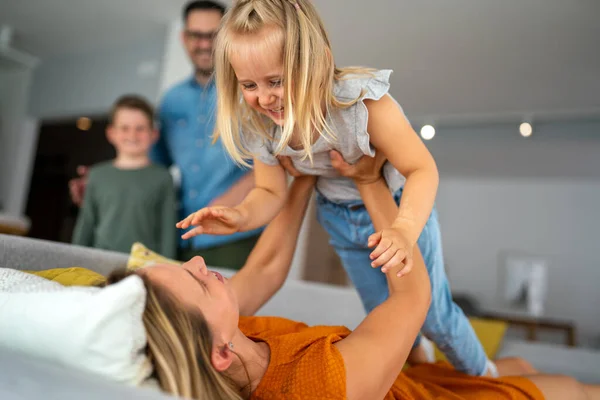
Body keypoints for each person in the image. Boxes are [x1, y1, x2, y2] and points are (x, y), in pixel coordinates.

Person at [110, 152, 599, 400]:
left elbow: (266, 267)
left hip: (410, 378)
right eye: (194, 279)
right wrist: (368, 181)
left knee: (515, 362)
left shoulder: (224, 338)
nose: (198, 263)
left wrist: (302, 171)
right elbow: (413, 296)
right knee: (568, 389)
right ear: (216, 352)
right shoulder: (315, 388)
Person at [176, 0, 491, 376]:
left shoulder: (361, 103)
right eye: (249, 85)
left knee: (434, 316)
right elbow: (271, 193)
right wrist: (241, 215)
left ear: (317, 63)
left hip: (397, 210)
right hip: (339, 219)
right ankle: (422, 374)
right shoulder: (261, 125)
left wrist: (404, 231)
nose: (264, 97)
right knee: (384, 315)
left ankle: (484, 377)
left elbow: (422, 168)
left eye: (276, 81)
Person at [70, 1, 261, 270]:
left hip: (235, 234)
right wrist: (109, 184)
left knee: (228, 311)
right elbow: (153, 164)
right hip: (180, 234)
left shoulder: (251, 90)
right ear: (184, 38)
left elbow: (274, 165)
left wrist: (223, 208)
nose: (204, 44)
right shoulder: (171, 100)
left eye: (213, 35)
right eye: (196, 35)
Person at [72, 95, 176, 258]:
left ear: (154, 134)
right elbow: (86, 225)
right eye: (125, 128)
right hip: (99, 261)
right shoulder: (97, 175)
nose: (132, 135)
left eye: (140, 128)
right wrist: (74, 261)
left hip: (145, 266)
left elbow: (168, 233)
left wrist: (167, 274)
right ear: (111, 133)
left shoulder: (163, 178)